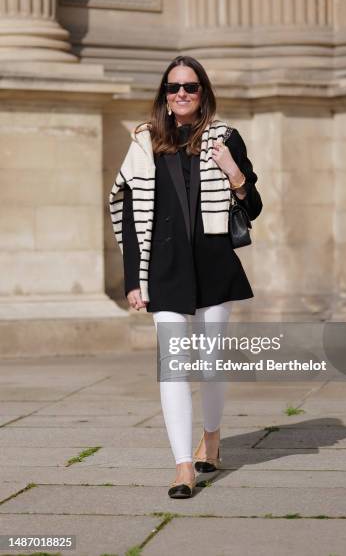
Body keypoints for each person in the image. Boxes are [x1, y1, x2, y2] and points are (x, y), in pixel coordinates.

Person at [109, 55, 262, 498]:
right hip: (164, 268)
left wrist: (233, 173)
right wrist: (134, 280)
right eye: (173, 87)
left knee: (210, 364)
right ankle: (182, 466)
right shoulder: (144, 142)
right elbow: (129, 213)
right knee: (174, 368)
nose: (181, 94)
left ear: (203, 92)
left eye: (190, 87)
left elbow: (252, 208)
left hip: (213, 264)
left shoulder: (226, 137)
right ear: (163, 94)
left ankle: (211, 438)